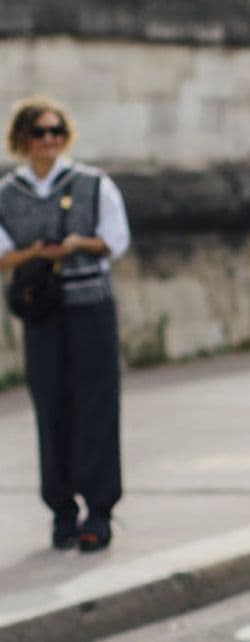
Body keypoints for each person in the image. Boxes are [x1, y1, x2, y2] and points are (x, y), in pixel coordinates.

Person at [0, 97, 129, 552]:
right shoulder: (7, 193)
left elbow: (116, 241)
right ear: (23, 139)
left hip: (90, 303)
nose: (49, 140)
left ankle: (99, 509)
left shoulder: (94, 184)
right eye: (39, 132)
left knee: (97, 404)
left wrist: (80, 243)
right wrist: (36, 253)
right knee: (51, 405)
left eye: (56, 131)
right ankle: (61, 510)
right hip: (43, 312)